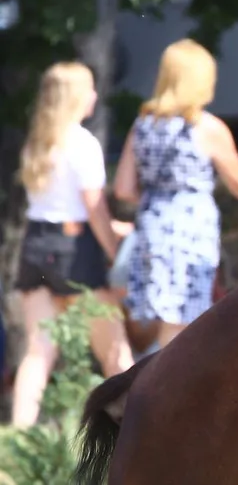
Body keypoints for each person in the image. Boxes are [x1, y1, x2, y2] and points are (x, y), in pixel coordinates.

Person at [112, 39, 238, 352]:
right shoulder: (205, 127)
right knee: (183, 326)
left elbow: (123, 188)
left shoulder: (143, 125)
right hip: (189, 233)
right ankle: (171, 396)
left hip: (152, 228)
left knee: (167, 320)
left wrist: (158, 199)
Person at [13, 61, 134, 428]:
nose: (95, 95)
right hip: (75, 252)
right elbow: (93, 209)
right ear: (76, 96)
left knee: (38, 352)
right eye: (91, 88)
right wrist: (116, 251)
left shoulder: (38, 142)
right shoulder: (83, 143)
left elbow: (57, 206)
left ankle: (18, 438)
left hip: (36, 246)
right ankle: (140, 427)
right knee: (116, 353)